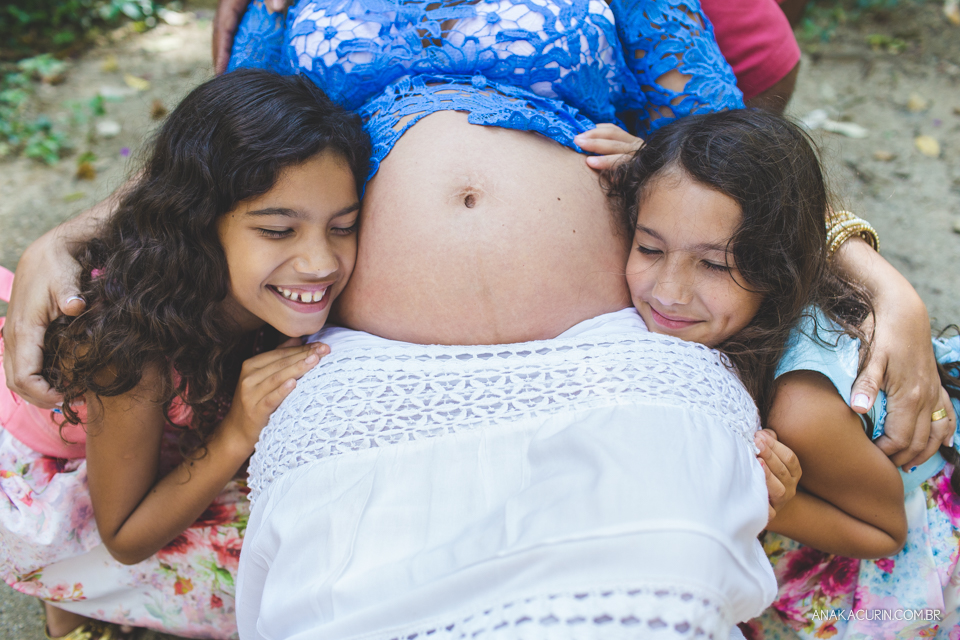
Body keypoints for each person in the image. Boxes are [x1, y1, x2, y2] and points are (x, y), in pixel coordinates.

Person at [0, 69, 370, 639]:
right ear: (199, 226)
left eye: (343, 227)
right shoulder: (127, 345)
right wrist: (236, 434)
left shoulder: (257, 295)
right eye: (277, 231)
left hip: (137, 436)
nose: (320, 261)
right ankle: (70, 597)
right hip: (50, 471)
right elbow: (125, 536)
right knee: (258, 584)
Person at [601, 108, 960, 638]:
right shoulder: (727, 316)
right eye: (650, 247)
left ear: (779, 266)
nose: (668, 291)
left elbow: (884, 532)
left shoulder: (803, 407)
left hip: (893, 579)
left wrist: (774, 505)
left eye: (716, 265)